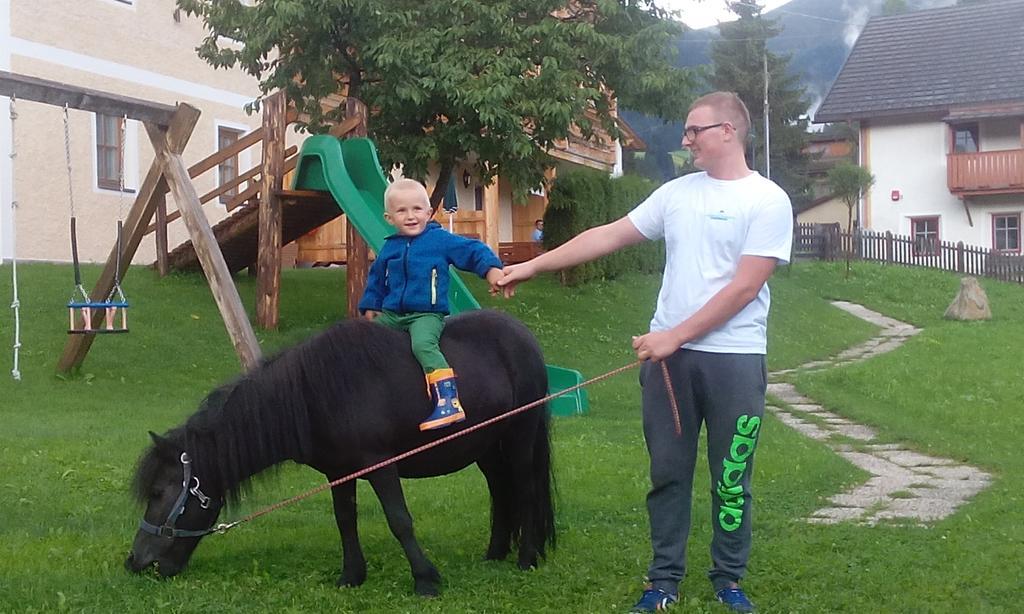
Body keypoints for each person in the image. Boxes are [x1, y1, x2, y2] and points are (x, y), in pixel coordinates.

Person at [499, 92, 792, 613]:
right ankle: (663, 582)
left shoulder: (767, 200)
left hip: (735, 360)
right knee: (668, 474)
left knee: (732, 478)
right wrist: (533, 266)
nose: (685, 140)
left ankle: (729, 579)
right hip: (669, 364)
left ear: (728, 131)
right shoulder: (677, 194)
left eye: (693, 130)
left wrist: (674, 335)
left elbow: (746, 287)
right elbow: (608, 235)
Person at [360, 178, 505, 431]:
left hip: (425, 315)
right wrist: (371, 304)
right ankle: (369, 393)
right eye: (401, 211)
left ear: (429, 212)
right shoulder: (390, 247)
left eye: (417, 209)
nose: (410, 216)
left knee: (423, 345)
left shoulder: (439, 240)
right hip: (393, 314)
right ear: (388, 217)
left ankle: (448, 401)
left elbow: (472, 250)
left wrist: (491, 270)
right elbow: (377, 278)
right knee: (363, 339)